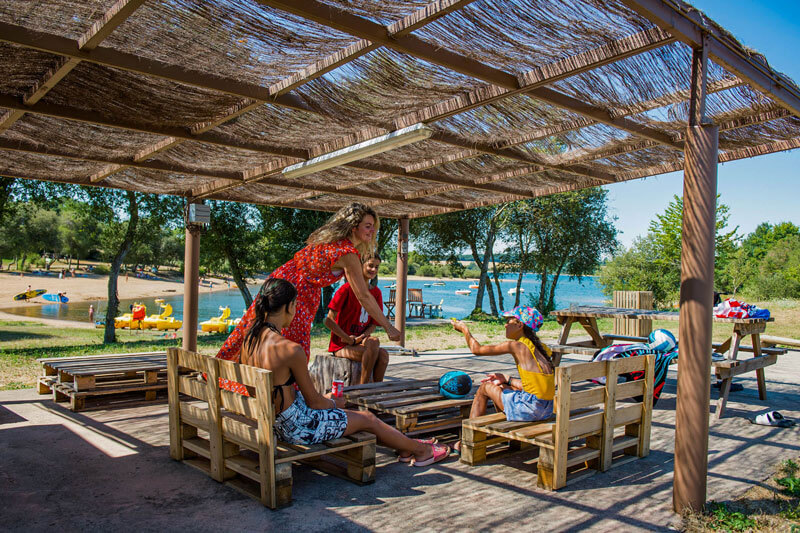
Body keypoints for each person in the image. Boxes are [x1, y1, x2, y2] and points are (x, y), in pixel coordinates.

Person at [240, 278, 449, 465]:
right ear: (287, 307)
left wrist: (325, 399)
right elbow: (315, 403)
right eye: (295, 305)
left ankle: (407, 445)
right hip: (296, 428)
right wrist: (332, 402)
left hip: (272, 421)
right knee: (367, 418)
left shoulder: (249, 341)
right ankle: (421, 451)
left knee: (354, 414)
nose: (295, 311)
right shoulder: (290, 349)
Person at [217, 203, 401, 392]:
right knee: (293, 348)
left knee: (255, 331)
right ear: (354, 227)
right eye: (367, 226)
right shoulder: (347, 253)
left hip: (281, 281)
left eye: (373, 226)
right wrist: (388, 327)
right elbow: (363, 295)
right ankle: (288, 396)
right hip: (296, 292)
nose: (372, 231)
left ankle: (226, 377)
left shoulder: (332, 242)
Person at [451, 306, 555, 453]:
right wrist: (507, 379)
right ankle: (503, 432)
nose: (505, 325)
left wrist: (464, 329)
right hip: (545, 409)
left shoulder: (517, 346)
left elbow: (477, 350)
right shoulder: (540, 349)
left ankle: (467, 442)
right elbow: (537, 387)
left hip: (530, 410)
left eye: (508, 320)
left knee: (485, 388)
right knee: (503, 388)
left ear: (519, 325)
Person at [324, 253, 389, 384]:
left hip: (361, 342)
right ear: (360, 266)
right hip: (342, 345)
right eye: (370, 265)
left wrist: (361, 337)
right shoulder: (346, 289)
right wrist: (347, 338)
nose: (374, 270)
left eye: (377, 267)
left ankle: (376, 390)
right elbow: (328, 320)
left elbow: (374, 324)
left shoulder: (376, 293)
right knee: (374, 346)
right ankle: (363, 388)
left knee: (382, 354)